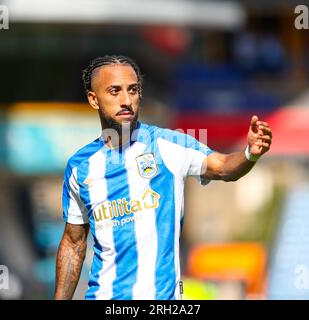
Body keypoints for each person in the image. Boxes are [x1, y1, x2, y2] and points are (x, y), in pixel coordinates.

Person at [54, 55, 272, 300]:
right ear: (94, 99)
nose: (126, 100)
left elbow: (222, 166)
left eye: (133, 90)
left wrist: (249, 154)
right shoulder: (80, 166)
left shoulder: (169, 145)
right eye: (114, 91)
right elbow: (74, 244)